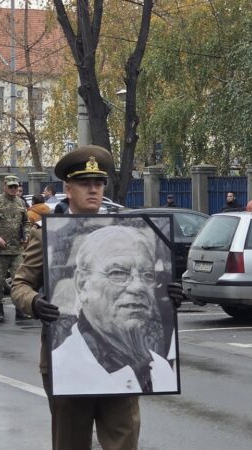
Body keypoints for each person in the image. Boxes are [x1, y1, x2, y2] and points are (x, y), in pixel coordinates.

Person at [12, 145, 186, 450]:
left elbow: (151, 284)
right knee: (70, 443)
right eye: (84, 184)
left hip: (130, 357)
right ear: (68, 188)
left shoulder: (127, 228)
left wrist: (169, 296)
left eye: (98, 183)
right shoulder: (47, 233)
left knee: (124, 441)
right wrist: (35, 303)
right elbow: (20, 285)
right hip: (68, 367)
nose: (93, 190)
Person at [51, 225, 177, 395]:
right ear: (82, 284)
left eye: (148, 275)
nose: (138, 286)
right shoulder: (61, 368)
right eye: (118, 273)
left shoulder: (160, 369)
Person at [0, 175, 30, 322]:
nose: (14, 189)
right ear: (4, 187)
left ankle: (19, 310)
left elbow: (26, 222)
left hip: (16, 250)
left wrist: (26, 235)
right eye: (11, 186)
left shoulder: (21, 202)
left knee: (19, 281)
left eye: (15, 186)